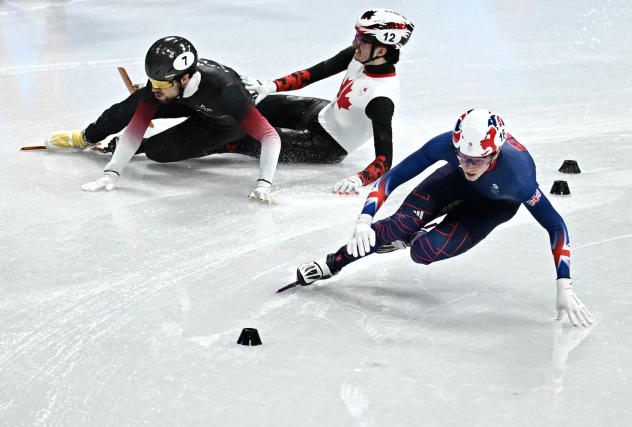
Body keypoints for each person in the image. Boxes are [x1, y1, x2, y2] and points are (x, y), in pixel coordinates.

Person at [295, 109, 593, 327]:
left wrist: (563, 285)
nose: (469, 166)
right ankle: (332, 263)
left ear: (495, 154)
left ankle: (413, 237)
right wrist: (364, 218)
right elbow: (394, 176)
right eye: (463, 157)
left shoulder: (519, 175)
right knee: (397, 224)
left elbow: (556, 226)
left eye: (477, 161)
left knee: (422, 253)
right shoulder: (448, 147)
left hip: (491, 208)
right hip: (451, 185)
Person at [45, 36, 281, 203]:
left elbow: (269, 137)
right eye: (153, 82)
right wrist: (111, 173)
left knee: (160, 152)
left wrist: (263, 184)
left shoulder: (227, 92)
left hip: (224, 122)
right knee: (132, 104)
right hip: (186, 100)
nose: (154, 90)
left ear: (185, 78)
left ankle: (227, 145)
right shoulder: (166, 85)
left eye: (161, 85)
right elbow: (134, 129)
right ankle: (87, 136)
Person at [238, 8, 414, 194]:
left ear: (380, 50)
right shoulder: (358, 56)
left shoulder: (381, 99)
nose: (354, 42)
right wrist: (271, 86)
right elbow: (312, 74)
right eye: (356, 35)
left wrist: (359, 178)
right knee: (248, 103)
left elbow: (384, 160)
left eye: (361, 39)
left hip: (326, 145)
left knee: (238, 135)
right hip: (318, 111)